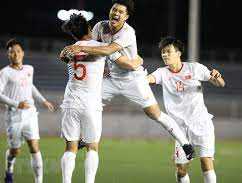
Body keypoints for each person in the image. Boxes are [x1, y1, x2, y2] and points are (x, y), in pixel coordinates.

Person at [62, 0, 194, 158]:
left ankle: (185, 144)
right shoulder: (99, 27)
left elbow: (108, 50)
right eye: (114, 9)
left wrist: (80, 48)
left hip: (133, 79)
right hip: (111, 78)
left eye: (120, 12)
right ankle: (84, 137)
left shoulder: (127, 32)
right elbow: (95, 49)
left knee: (155, 113)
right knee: (90, 101)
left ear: (126, 16)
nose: (116, 13)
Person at [59, 13, 143, 183]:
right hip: (90, 103)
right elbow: (127, 64)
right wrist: (138, 61)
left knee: (70, 148)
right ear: (90, 28)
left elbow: (65, 59)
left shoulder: (69, 49)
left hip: (70, 102)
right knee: (92, 147)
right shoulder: (100, 46)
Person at [147, 36, 225, 183]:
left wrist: (217, 77)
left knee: (206, 162)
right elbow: (149, 79)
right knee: (181, 170)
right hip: (179, 129)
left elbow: (220, 83)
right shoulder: (162, 72)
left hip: (201, 123)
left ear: (178, 53)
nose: (165, 55)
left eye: (168, 51)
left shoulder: (194, 68)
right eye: (163, 52)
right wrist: (139, 78)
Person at [0, 38, 55, 183]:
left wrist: (43, 101)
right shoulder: (5, 73)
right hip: (14, 117)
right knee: (15, 151)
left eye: (18, 51)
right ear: (8, 55)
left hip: (30, 114)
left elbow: (31, 87)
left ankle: (39, 181)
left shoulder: (29, 69)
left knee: (34, 146)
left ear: (22, 53)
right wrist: (16, 104)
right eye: (12, 52)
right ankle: (9, 170)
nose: (15, 54)